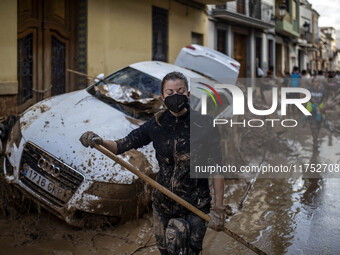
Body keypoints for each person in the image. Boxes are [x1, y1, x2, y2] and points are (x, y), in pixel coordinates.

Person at [79, 72, 225, 255]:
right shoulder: (156, 125)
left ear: (188, 94)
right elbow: (120, 146)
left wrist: (219, 209)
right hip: (163, 203)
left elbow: (217, 168)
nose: (175, 96)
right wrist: (98, 141)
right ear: (162, 97)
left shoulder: (205, 124)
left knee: (189, 251)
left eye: (180, 91)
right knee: (165, 250)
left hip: (195, 206)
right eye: (170, 92)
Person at [304, 78, 327, 150]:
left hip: (319, 110)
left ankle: (316, 137)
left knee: (318, 125)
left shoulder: (322, 90)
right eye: (315, 82)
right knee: (312, 125)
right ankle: (315, 139)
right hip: (311, 110)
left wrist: (324, 107)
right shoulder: (309, 90)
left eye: (318, 82)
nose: (317, 83)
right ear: (313, 83)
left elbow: (325, 99)